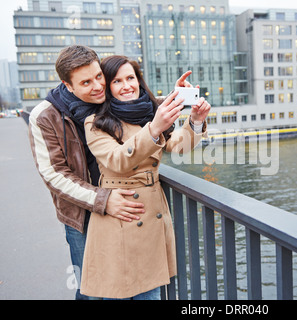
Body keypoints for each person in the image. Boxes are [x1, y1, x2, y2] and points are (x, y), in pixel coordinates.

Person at [27, 45, 194, 300]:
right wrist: (102, 199)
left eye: (99, 77)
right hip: (82, 212)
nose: (97, 86)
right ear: (68, 85)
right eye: (86, 82)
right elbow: (54, 174)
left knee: (139, 286)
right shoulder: (45, 116)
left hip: (128, 204)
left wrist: (178, 96)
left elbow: (137, 104)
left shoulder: (105, 96)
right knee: (92, 290)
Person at [80, 55, 210, 299]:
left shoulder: (150, 112)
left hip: (150, 212)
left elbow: (178, 147)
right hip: (119, 213)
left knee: (149, 293)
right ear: (107, 87)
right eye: (117, 81)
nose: (127, 85)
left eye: (131, 78)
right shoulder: (96, 122)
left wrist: (196, 121)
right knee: (116, 291)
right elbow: (117, 160)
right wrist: (154, 128)